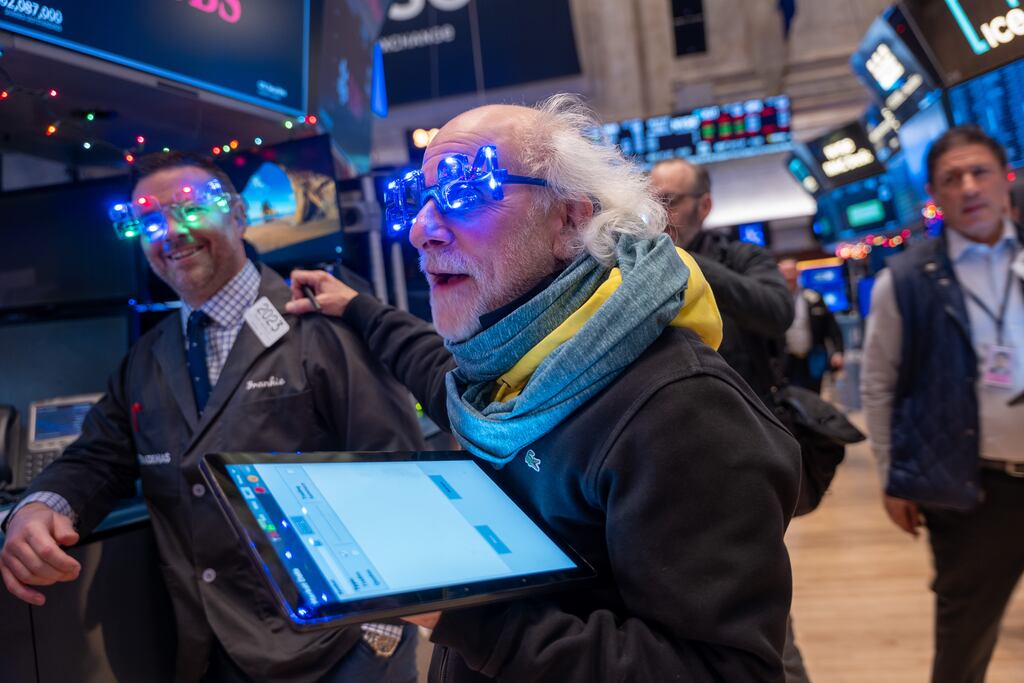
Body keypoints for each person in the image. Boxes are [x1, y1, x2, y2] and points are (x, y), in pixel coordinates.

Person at [289, 96, 802, 682]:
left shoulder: (681, 410)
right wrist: (357, 308)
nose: (423, 230)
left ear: (570, 220)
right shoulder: (508, 377)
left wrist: (464, 612)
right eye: (420, 198)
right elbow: (435, 372)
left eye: (465, 190)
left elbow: (724, 672)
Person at [0, 152, 424, 682]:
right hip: (208, 652)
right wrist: (38, 506)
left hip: (335, 654)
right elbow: (99, 457)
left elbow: (398, 473)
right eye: (151, 220)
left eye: (190, 210)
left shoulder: (323, 325)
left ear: (240, 215)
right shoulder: (147, 357)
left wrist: (379, 636)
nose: (172, 232)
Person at [861, 126, 1024, 683]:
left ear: (1007, 181)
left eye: (980, 172)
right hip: (973, 489)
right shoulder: (905, 281)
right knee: (965, 643)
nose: (969, 187)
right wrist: (892, 475)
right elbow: (879, 385)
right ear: (934, 193)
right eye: (952, 178)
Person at [648, 158, 794, 401]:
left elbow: (778, 312)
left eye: (670, 201)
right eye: (652, 202)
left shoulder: (742, 256)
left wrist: (687, 262)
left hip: (748, 410)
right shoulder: (641, 268)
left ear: (704, 205)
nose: (659, 213)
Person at [778, 258, 845, 394]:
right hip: (788, 360)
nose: (789, 276)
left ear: (798, 273)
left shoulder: (813, 297)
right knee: (793, 397)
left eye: (791, 272)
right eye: (785, 273)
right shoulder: (776, 300)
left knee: (814, 394)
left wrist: (838, 351)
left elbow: (831, 326)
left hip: (813, 356)